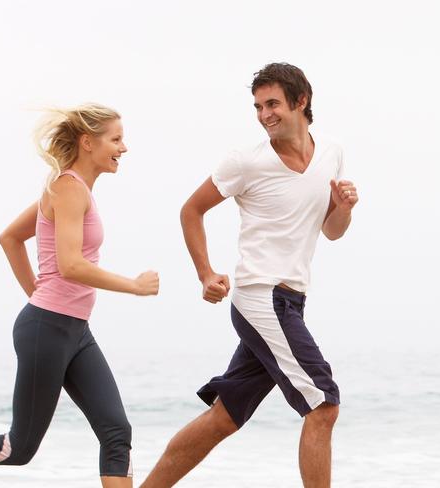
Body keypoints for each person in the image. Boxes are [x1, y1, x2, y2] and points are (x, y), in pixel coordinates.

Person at [140, 63, 358, 488]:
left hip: (291, 301)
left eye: (272, 104)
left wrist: (344, 208)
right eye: (258, 106)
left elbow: (331, 231)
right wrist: (205, 273)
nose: (264, 114)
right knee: (323, 405)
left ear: (301, 101)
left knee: (225, 417)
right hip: (261, 297)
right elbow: (191, 210)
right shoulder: (246, 161)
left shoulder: (331, 152)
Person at [0, 104, 159, 488]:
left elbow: (11, 238)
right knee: (18, 448)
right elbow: (70, 265)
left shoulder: (69, 188)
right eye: (116, 139)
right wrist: (133, 285)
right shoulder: (66, 188)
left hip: (73, 330)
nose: (124, 148)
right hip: (48, 329)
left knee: (116, 430)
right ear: (87, 142)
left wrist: (39, 292)